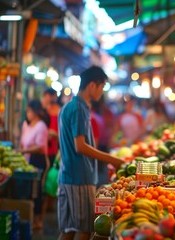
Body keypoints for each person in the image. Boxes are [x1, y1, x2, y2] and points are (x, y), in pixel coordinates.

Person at [57, 66, 124, 240]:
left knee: (68, 230)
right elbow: (80, 146)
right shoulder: (79, 109)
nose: (102, 92)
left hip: (68, 175)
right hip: (79, 177)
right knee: (84, 229)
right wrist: (112, 159)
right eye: (102, 87)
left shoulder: (69, 107)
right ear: (92, 85)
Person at [19, 100, 50, 230]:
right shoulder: (26, 125)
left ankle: (38, 220)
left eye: (29, 111)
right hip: (27, 161)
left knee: (36, 190)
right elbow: (22, 142)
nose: (28, 114)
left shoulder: (41, 126)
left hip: (38, 160)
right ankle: (29, 218)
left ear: (36, 112)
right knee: (27, 191)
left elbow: (41, 147)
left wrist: (24, 151)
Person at [40, 88, 60, 213]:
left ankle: (49, 204)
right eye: (49, 96)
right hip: (42, 149)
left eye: (53, 96)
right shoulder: (41, 111)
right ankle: (44, 205)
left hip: (53, 149)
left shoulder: (59, 111)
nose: (51, 99)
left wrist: (55, 135)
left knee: (51, 179)